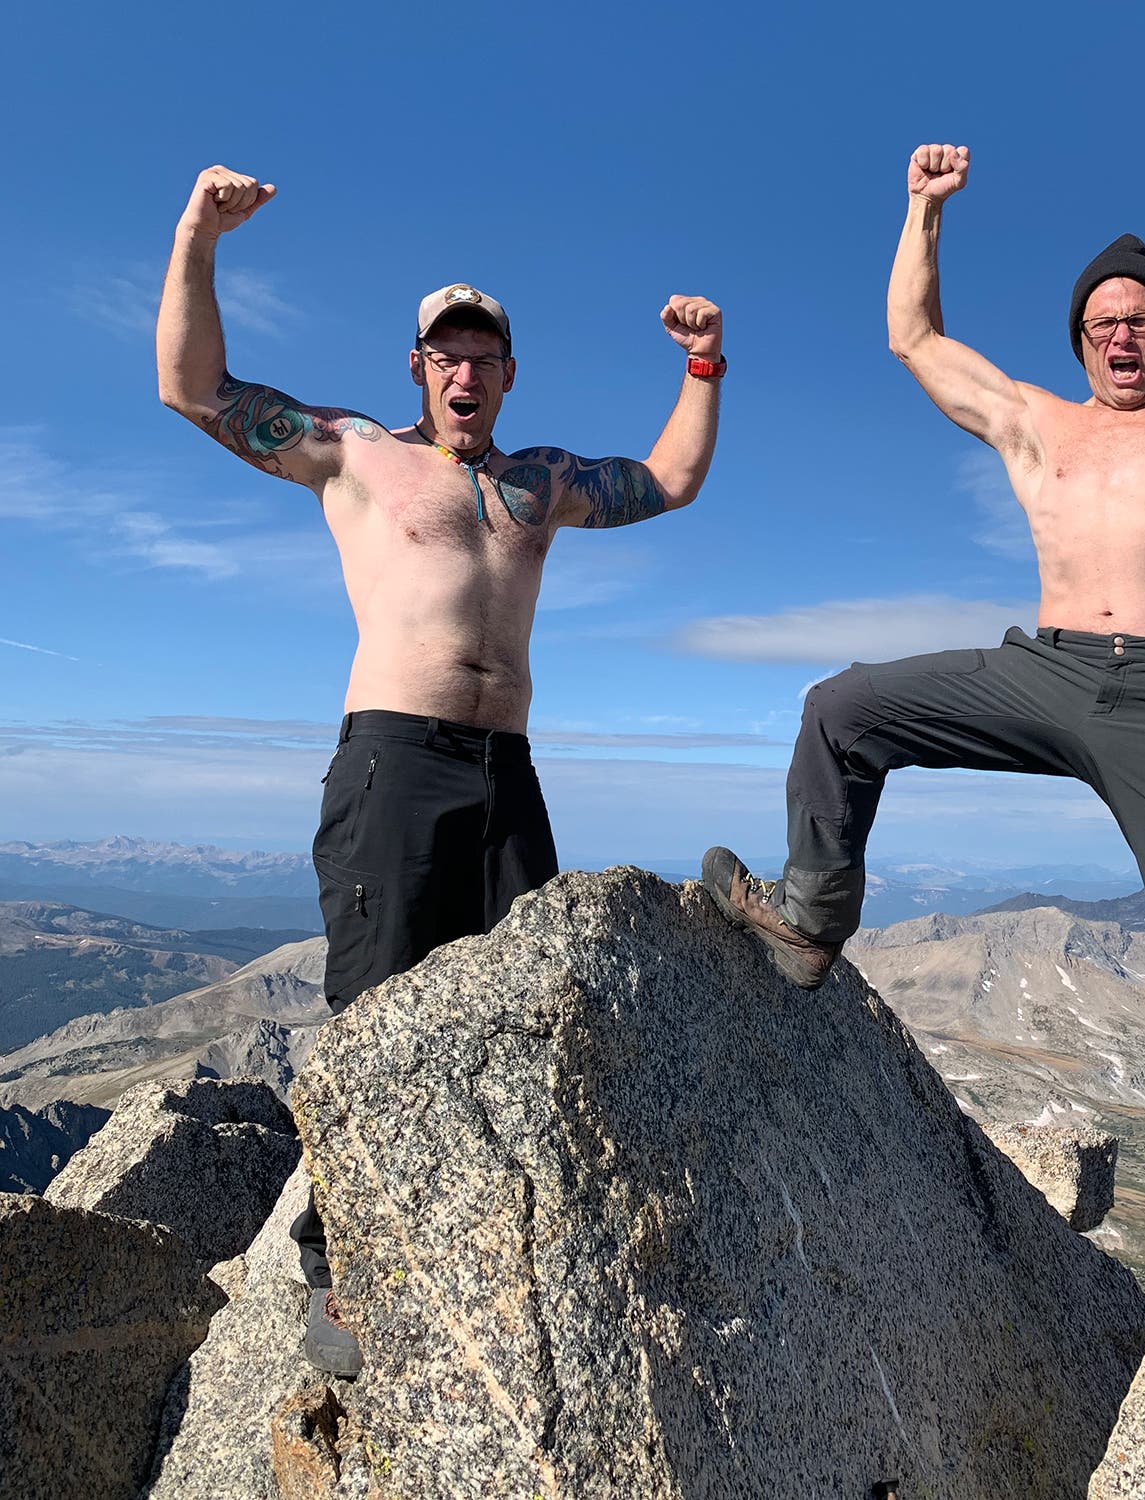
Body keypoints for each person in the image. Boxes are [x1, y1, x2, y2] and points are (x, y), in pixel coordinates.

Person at [701, 106, 1145, 1362]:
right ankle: (811, 921)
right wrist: (923, 213)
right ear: (1079, 338)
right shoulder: (1037, 423)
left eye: (1139, 318)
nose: (1120, 334)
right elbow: (911, 335)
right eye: (1101, 320)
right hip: (1042, 673)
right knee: (842, 708)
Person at [157, 165, 724, 1375]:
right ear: (418, 368)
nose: (466, 373)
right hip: (395, 764)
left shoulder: (539, 484)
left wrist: (704, 365)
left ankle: (489, 1215)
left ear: (510, 374)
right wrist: (199, 235)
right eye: (445, 355)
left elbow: (668, 481)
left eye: (485, 356)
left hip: (505, 771)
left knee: (521, 1002)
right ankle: (341, 1266)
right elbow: (191, 388)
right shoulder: (356, 455)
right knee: (374, 1013)